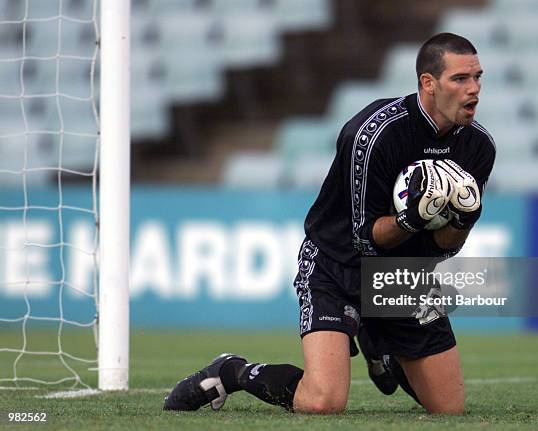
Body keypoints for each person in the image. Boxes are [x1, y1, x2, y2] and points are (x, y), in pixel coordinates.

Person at [163, 32, 496, 415]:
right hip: (337, 264)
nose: (474, 89)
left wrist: (464, 218)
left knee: (448, 408)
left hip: (404, 275)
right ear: (428, 84)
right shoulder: (373, 134)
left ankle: (381, 345)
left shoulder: (479, 147)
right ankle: (231, 371)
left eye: (478, 77)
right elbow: (364, 239)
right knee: (323, 401)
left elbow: (446, 246)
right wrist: (410, 218)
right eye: (461, 79)